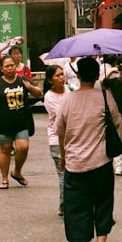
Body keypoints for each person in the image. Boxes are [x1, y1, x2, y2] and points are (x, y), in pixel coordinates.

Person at [56, 57, 122, 242]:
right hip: (101, 161)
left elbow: (61, 130)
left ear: (78, 75)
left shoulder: (67, 99)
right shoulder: (105, 96)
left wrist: (63, 156)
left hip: (75, 163)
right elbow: (117, 123)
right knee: (103, 204)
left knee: (78, 208)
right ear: (96, 76)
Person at [0, 55, 42, 189]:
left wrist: (30, 88)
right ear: (2, 69)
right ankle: (4, 179)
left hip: (21, 121)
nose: (10, 68)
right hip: (4, 122)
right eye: (7, 66)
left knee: (23, 147)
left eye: (12, 65)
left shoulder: (22, 80)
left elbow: (38, 93)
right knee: (5, 149)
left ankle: (17, 172)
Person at [44, 64, 68, 216]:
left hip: (74, 138)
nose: (61, 78)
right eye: (57, 75)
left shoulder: (71, 89)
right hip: (56, 140)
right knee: (63, 174)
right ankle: (64, 206)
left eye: (62, 74)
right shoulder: (49, 97)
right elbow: (62, 116)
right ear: (50, 80)